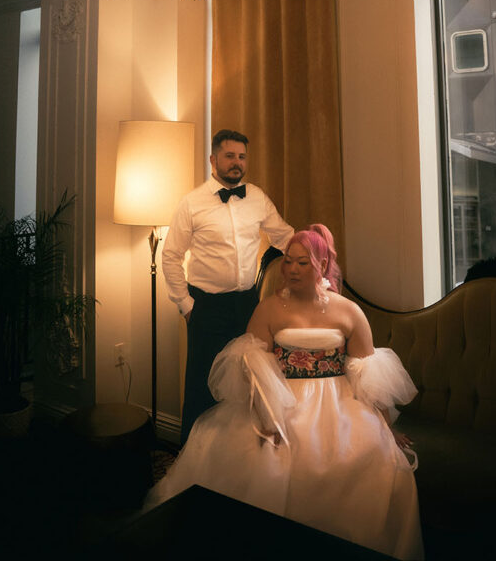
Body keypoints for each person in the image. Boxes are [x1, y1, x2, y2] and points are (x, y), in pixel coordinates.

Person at [150, 225, 424, 560]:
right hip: (280, 397)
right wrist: (266, 417)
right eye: (288, 262)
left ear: (321, 266)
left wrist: (386, 425)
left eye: (302, 263)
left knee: (375, 459)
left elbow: (366, 375)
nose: (291, 269)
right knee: (259, 456)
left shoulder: (348, 312)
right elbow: (253, 368)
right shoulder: (268, 309)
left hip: (338, 402)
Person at [162, 128, 294, 442]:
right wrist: (187, 306)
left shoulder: (257, 198)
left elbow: (284, 235)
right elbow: (171, 256)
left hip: (248, 305)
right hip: (205, 306)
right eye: (230, 156)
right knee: (202, 387)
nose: (237, 163)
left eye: (242, 157)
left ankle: (240, 459)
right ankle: (192, 463)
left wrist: (314, 253)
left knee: (250, 381)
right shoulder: (191, 203)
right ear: (213, 159)